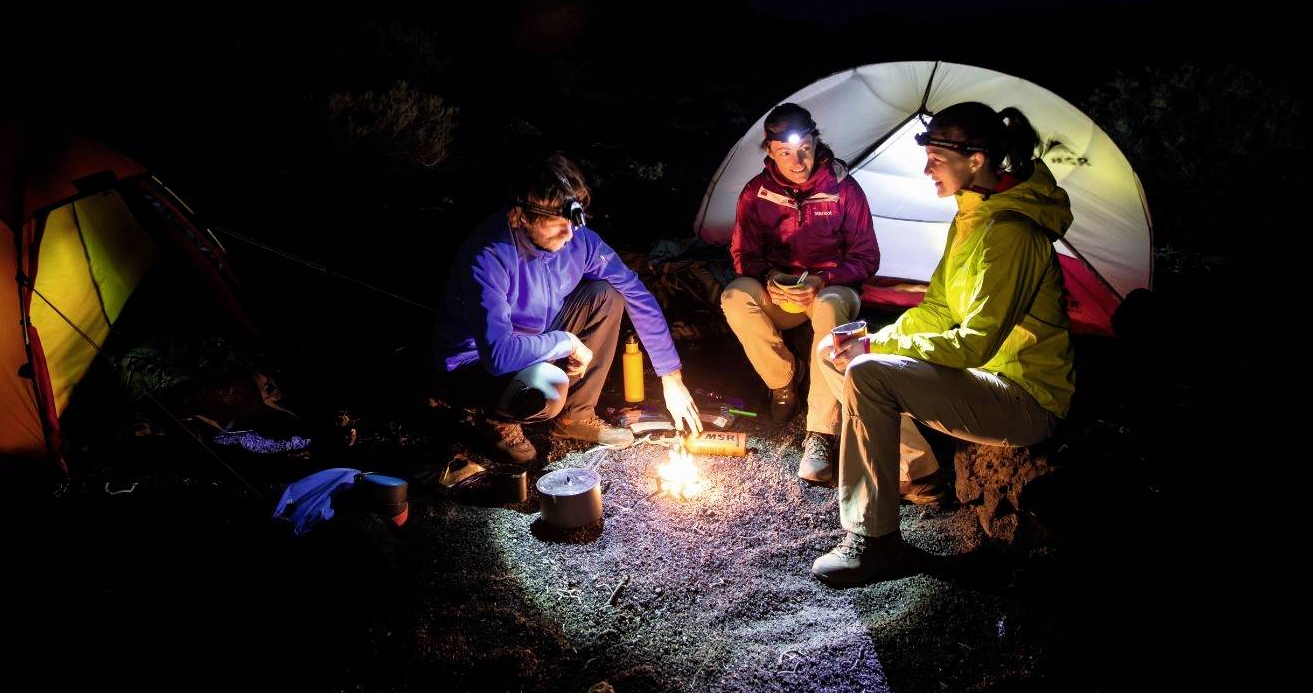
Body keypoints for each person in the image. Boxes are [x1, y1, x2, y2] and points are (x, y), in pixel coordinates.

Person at [809, 102, 1075, 586]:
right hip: (985, 379)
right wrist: (873, 337)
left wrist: (879, 354)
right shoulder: (973, 217)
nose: (925, 167)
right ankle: (918, 472)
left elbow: (974, 344)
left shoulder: (1011, 232)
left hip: (1025, 397)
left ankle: (876, 541)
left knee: (868, 374)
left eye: (935, 156)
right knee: (839, 350)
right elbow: (939, 310)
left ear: (975, 159)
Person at [721, 103, 937, 489]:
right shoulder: (757, 194)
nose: (797, 160)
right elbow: (743, 254)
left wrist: (824, 279)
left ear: (816, 141)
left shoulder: (843, 190)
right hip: (782, 293)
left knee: (829, 305)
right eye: (785, 152)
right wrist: (768, 276)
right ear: (770, 151)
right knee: (736, 296)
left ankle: (821, 432)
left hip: (831, 290)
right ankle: (784, 380)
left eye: (804, 147)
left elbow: (867, 258)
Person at [435, 152, 702, 463]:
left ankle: (576, 416)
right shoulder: (489, 255)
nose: (569, 234)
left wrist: (671, 376)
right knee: (547, 389)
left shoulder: (578, 241)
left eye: (573, 222)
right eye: (556, 225)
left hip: (536, 332)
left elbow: (635, 292)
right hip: (476, 363)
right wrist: (566, 342)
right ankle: (498, 420)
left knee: (607, 294)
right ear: (519, 217)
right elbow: (498, 355)